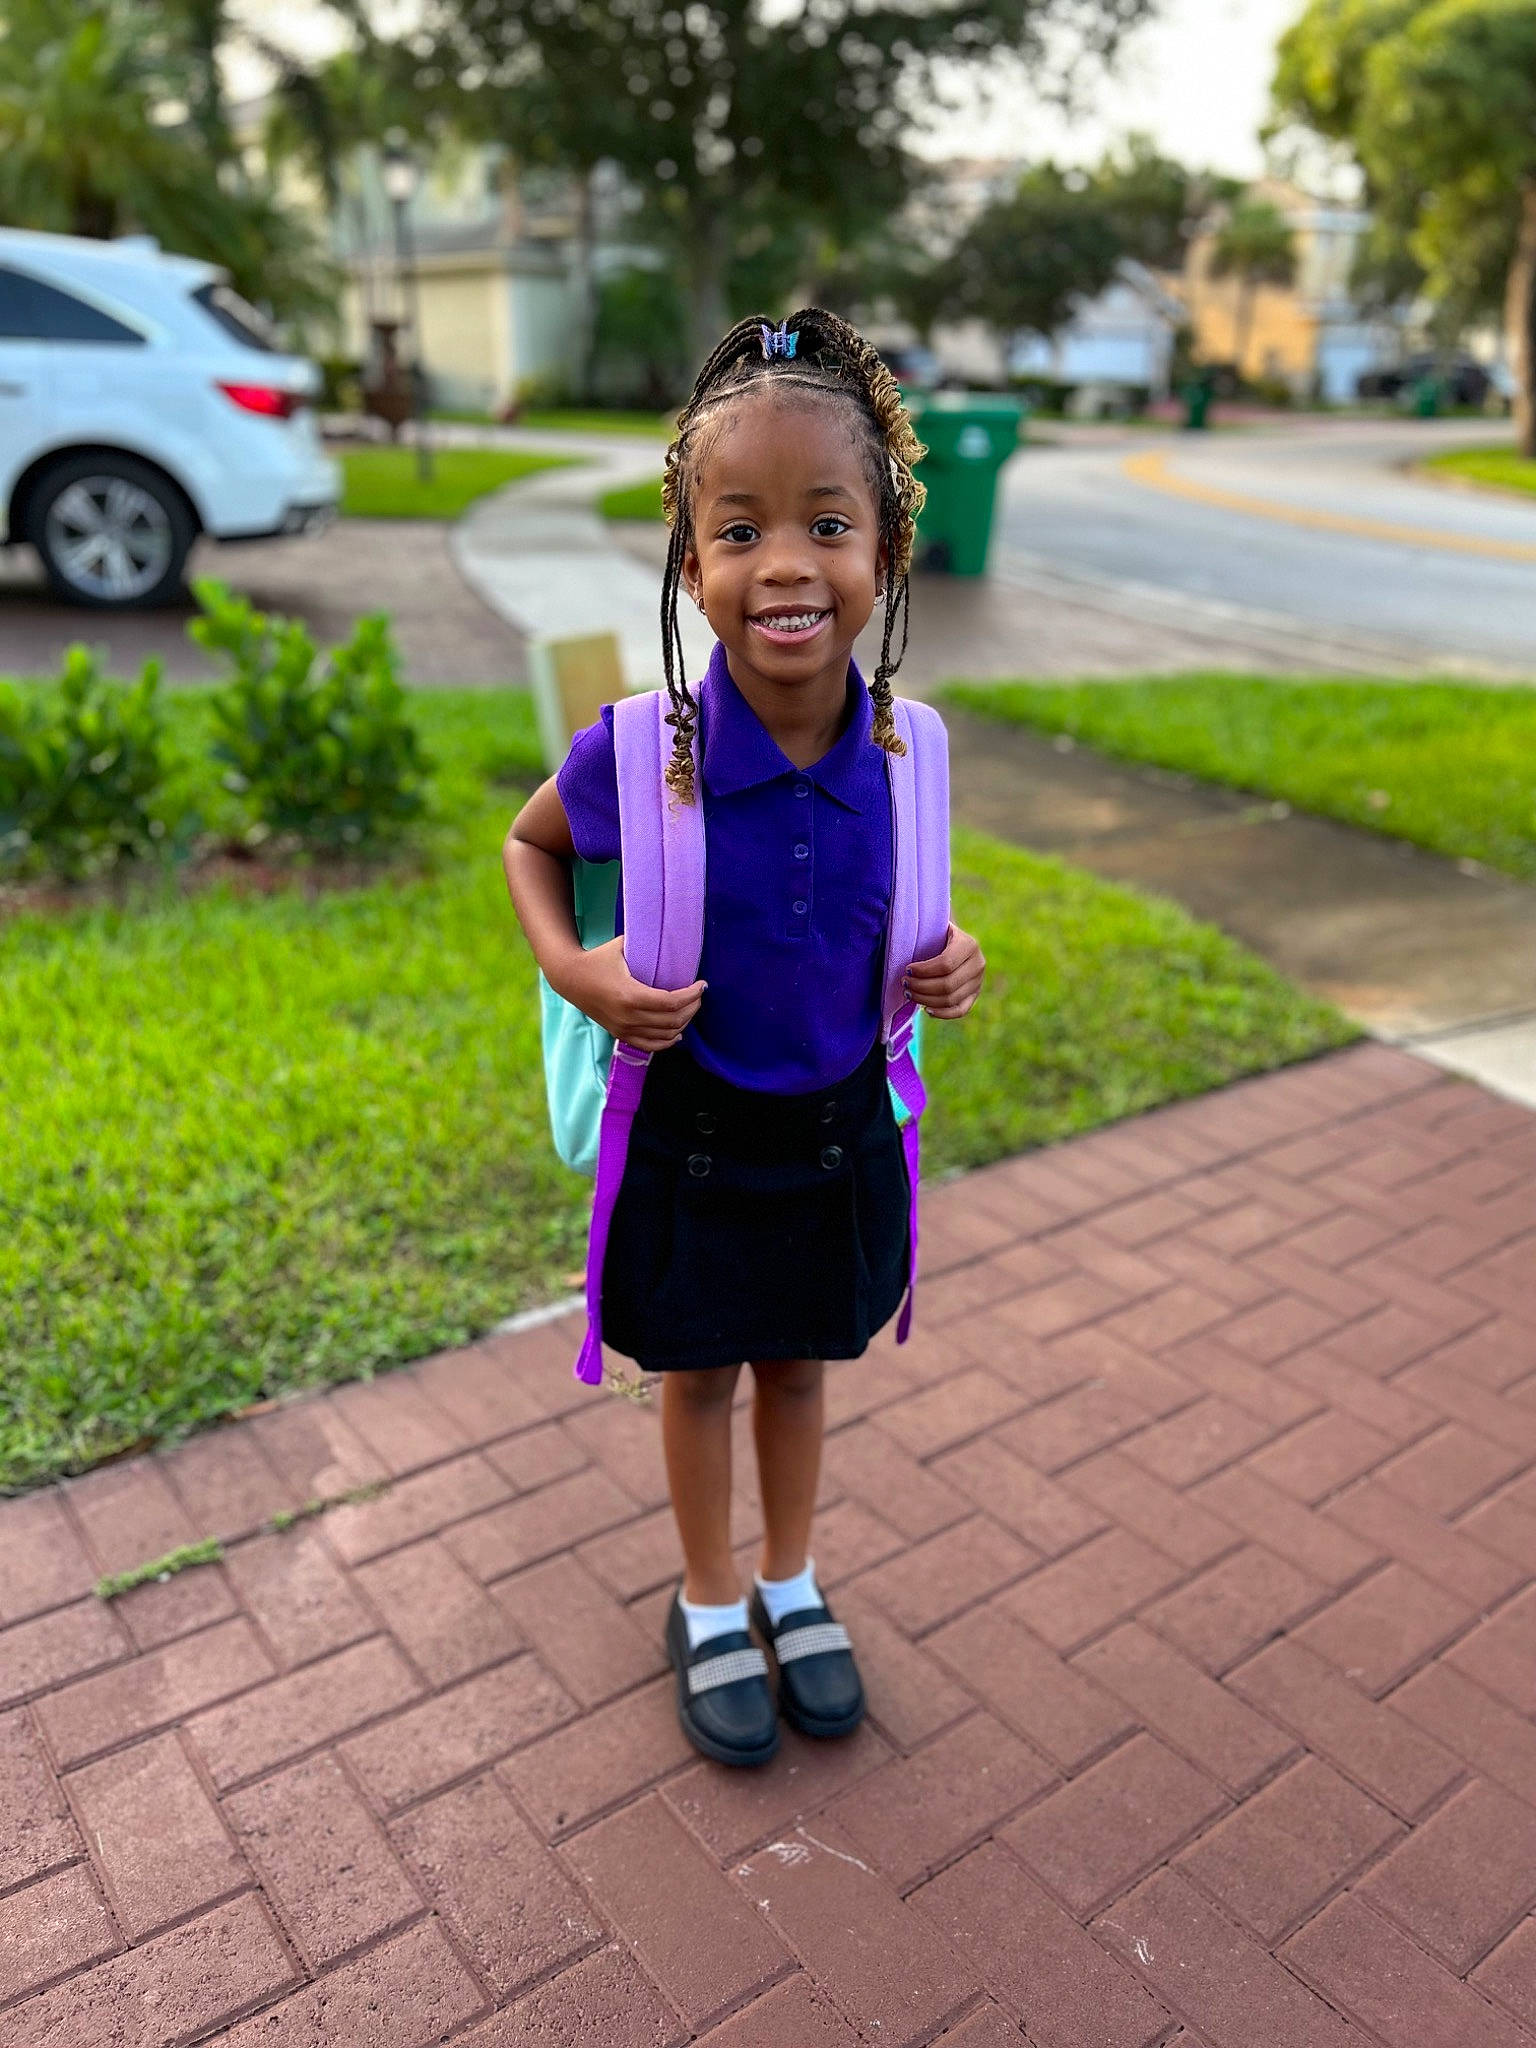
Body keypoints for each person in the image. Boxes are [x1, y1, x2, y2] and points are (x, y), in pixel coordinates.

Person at [504, 308, 986, 1767]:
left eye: (827, 524)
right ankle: (710, 1595)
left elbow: (898, 914)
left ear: (886, 553)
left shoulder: (908, 755)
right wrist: (577, 972)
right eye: (739, 530)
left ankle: (791, 1575)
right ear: (689, 562)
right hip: (696, 1135)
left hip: (837, 1127)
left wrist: (949, 961)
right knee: (701, 1371)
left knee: (801, 1365)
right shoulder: (640, 753)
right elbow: (530, 848)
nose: (785, 563)